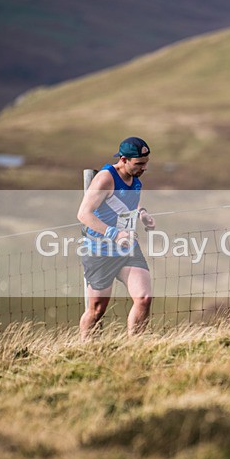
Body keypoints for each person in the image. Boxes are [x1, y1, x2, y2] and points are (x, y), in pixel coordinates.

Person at [77, 136, 156, 339]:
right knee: (96, 311)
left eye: (146, 163)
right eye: (139, 164)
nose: (144, 168)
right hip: (100, 250)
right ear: (123, 159)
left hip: (127, 248)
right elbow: (84, 214)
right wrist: (115, 234)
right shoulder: (105, 178)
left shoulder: (135, 176)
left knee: (144, 298)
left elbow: (125, 202)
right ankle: (85, 350)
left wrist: (142, 213)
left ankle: (135, 349)